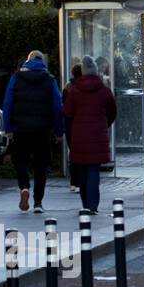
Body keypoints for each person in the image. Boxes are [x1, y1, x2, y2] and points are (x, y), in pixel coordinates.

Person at [2, 50, 64, 214]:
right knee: (40, 166)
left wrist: (8, 128)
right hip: (42, 130)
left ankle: (24, 188)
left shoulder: (16, 77)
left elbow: (7, 103)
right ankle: (38, 202)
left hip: (21, 129)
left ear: (27, 61)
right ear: (42, 62)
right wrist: (59, 131)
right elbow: (57, 107)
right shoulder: (49, 80)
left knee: (20, 161)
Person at [62, 56, 116, 215]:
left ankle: (85, 204)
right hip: (98, 134)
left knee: (82, 170)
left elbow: (67, 112)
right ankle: (93, 205)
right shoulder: (104, 90)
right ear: (95, 71)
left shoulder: (74, 90)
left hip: (79, 135)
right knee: (93, 170)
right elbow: (112, 111)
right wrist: (104, 125)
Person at [64, 62, 83, 194]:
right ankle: (80, 180)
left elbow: (64, 109)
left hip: (70, 126)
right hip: (82, 125)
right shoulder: (84, 88)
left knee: (73, 153)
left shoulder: (68, 88)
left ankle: (73, 182)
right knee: (83, 154)